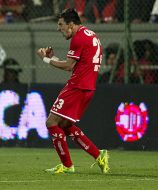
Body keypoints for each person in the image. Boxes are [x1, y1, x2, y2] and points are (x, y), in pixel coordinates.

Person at [37, 8, 109, 174]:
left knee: (51, 123)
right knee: (66, 124)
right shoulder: (90, 34)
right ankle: (99, 155)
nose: (58, 28)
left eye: (61, 24)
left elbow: (69, 66)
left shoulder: (78, 38)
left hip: (77, 86)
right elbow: (76, 64)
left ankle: (68, 166)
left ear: (70, 24)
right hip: (87, 87)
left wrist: (46, 59)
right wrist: (54, 58)